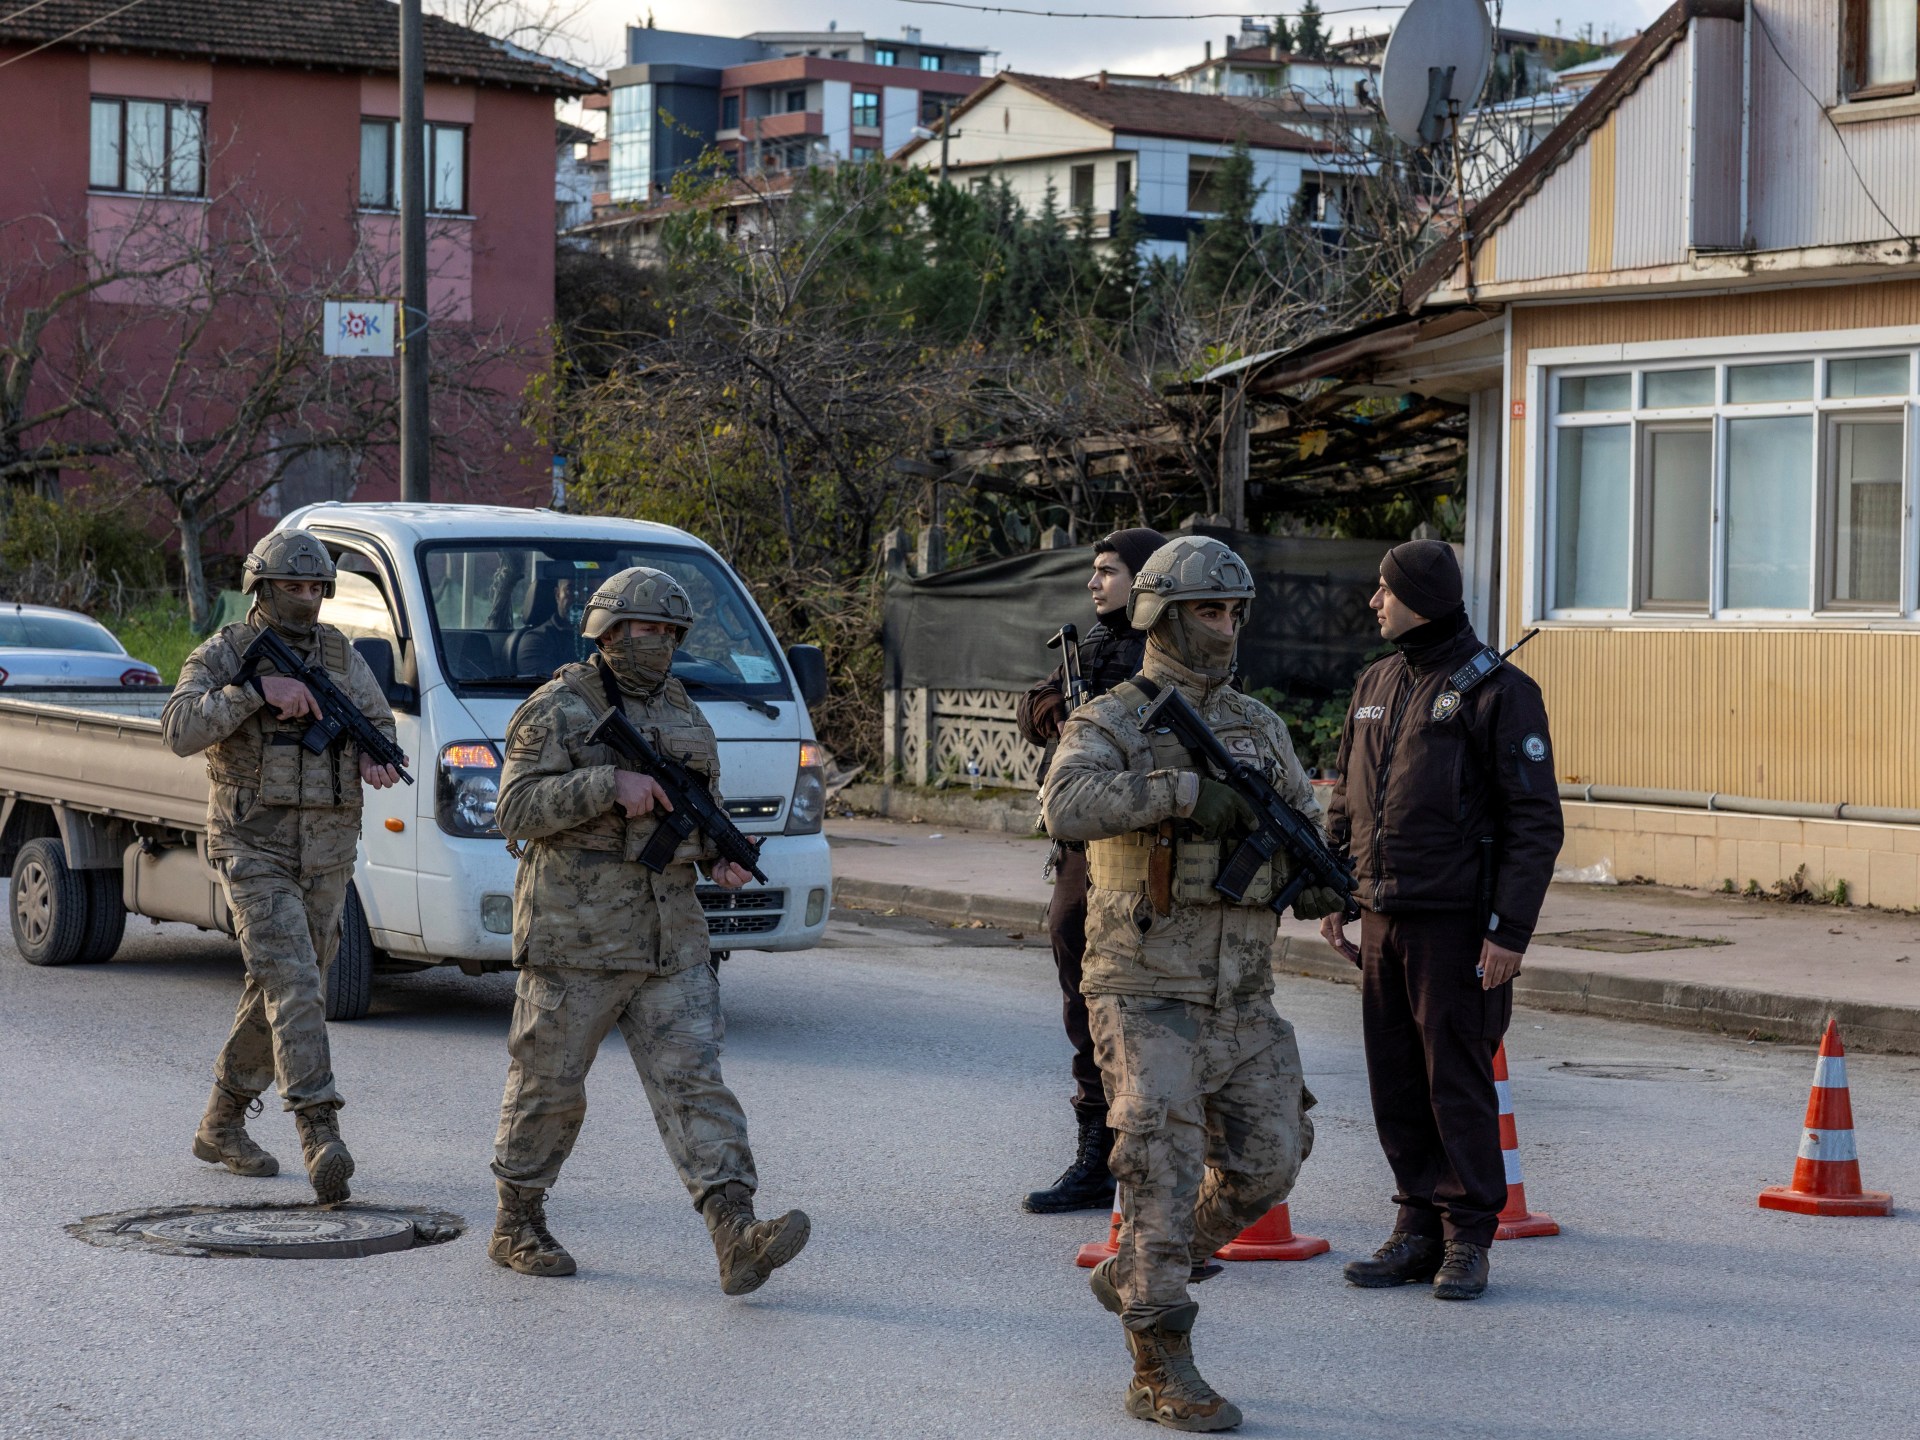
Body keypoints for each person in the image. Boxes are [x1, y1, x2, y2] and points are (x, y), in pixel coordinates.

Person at [1041, 536, 1345, 1433]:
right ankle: (1159, 1362)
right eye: (1209, 611)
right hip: (1144, 985)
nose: (1226, 627)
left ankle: (1139, 1266)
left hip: (1243, 991)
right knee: (1160, 1168)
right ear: (1161, 617)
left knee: (1271, 1161)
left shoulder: (1259, 723)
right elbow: (1064, 806)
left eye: (1235, 612)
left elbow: (1301, 813)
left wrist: (1314, 872)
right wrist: (1177, 792)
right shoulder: (1113, 719)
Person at [487, 565, 809, 1292]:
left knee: (696, 1084)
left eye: (670, 631)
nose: (657, 642)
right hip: (576, 937)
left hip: (671, 938)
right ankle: (517, 1221)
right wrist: (607, 785)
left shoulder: (683, 710)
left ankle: (735, 1230)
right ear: (606, 632)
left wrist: (716, 858)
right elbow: (514, 810)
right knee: (549, 1086)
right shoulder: (557, 708)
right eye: (643, 628)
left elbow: (696, 811)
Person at [1320, 539, 1563, 1302]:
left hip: (1456, 926)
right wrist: (1336, 889)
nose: (1374, 602)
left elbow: (1534, 822)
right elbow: (1346, 796)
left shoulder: (1500, 691)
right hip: (1381, 915)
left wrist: (1509, 932)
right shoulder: (1375, 681)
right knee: (1395, 1082)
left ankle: (1466, 1239)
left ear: (1421, 598)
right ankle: (1415, 1228)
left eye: (1385, 590)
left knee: (1455, 1082)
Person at [162, 530, 404, 1204]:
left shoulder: (341, 656)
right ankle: (319, 1131)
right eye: (292, 586)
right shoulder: (227, 652)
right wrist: (253, 692)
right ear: (261, 588)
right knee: (295, 983)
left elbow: (379, 722)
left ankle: (222, 1121)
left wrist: (374, 753)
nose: (306, 598)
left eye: (315, 588)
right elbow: (179, 729)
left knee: (284, 984)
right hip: (253, 846)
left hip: (327, 852)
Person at [1015, 525, 1165, 1214]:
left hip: (1140, 845)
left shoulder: (1167, 647)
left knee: (1139, 999)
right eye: (1095, 570)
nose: (1094, 582)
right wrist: (1058, 715)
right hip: (1080, 844)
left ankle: (1154, 1153)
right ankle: (1094, 1153)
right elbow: (1031, 706)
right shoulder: (1093, 644)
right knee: (1078, 978)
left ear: (1143, 578)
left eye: (1108, 571)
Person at [507, 566, 577, 677]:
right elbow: (547, 686)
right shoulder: (536, 640)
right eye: (571, 590)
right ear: (557, 595)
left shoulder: (604, 637)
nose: (580, 598)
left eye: (590, 591)